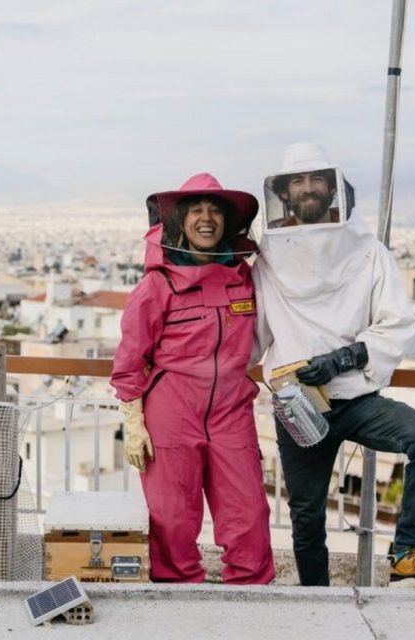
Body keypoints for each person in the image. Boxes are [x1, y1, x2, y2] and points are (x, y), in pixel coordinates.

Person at [252, 142, 415, 591]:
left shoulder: (368, 251)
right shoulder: (267, 257)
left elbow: (397, 321)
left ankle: (407, 553)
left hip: (356, 397)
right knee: (307, 517)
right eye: (298, 182)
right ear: (284, 193)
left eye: (316, 180)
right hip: (298, 405)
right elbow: (252, 335)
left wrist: (344, 358)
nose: (308, 189)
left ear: (333, 187)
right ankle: (316, 603)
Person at [111, 172, 274, 585]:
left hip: (231, 412)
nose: (206, 218)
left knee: (249, 513)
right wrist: (134, 421)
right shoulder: (157, 285)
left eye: (215, 210)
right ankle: (179, 610)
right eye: (196, 210)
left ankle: (256, 607)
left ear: (227, 222)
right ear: (180, 221)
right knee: (172, 520)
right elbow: (130, 360)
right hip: (171, 413)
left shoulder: (245, 279)